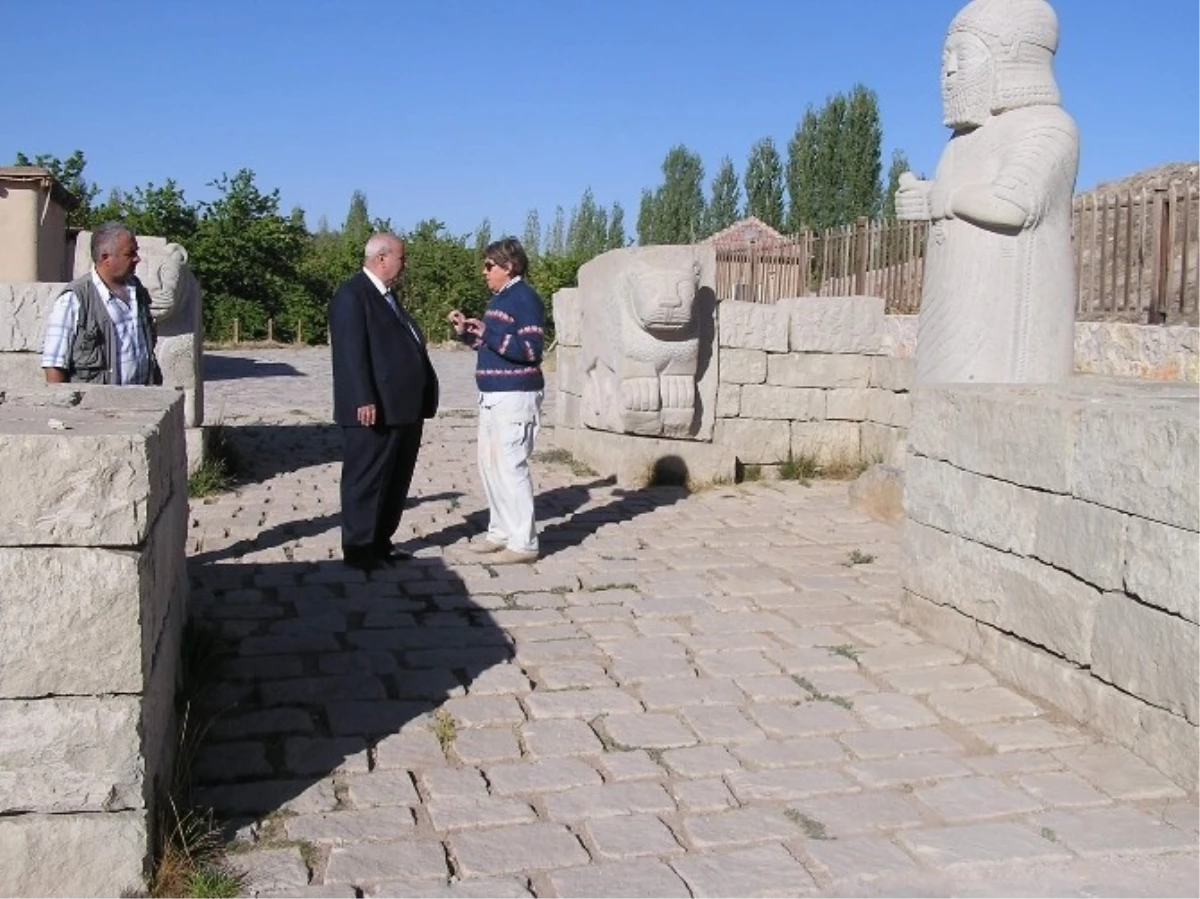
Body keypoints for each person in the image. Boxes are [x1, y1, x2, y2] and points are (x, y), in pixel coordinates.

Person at [329, 232, 439, 572]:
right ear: (381, 258)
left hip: (402, 407)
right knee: (367, 478)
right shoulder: (352, 295)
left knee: (394, 479)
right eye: (401, 259)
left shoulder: (388, 297)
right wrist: (363, 396)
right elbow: (350, 352)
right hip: (373, 407)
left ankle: (380, 541)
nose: (404, 266)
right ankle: (359, 548)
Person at [448, 237, 545, 565]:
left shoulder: (524, 298)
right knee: (490, 466)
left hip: (515, 395)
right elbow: (495, 348)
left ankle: (523, 542)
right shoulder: (501, 299)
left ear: (509, 266)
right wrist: (469, 333)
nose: (484, 271)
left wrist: (488, 333)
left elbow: (531, 351)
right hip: (493, 394)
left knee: (510, 465)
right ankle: (501, 531)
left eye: (489, 266)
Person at [41, 222, 163, 385]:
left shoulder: (137, 290)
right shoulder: (74, 299)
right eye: (130, 253)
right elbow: (54, 366)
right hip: (98, 406)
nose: (137, 259)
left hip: (142, 401)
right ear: (105, 257)